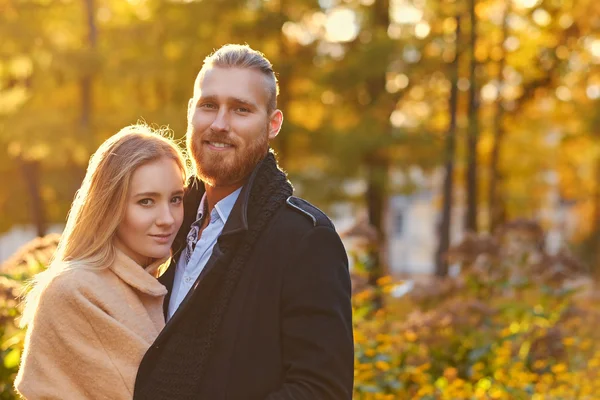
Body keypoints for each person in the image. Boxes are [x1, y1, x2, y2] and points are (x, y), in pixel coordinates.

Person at [134, 44, 354, 399]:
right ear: (191, 111)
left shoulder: (305, 240)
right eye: (209, 105)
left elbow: (321, 390)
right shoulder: (164, 226)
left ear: (273, 124)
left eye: (241, 109)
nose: (220, 124)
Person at [15, 124, 187, 399]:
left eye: (176, 199)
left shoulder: (158, 284)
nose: (167, 218)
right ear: (111, 205)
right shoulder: (74, 290)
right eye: (146, 202)